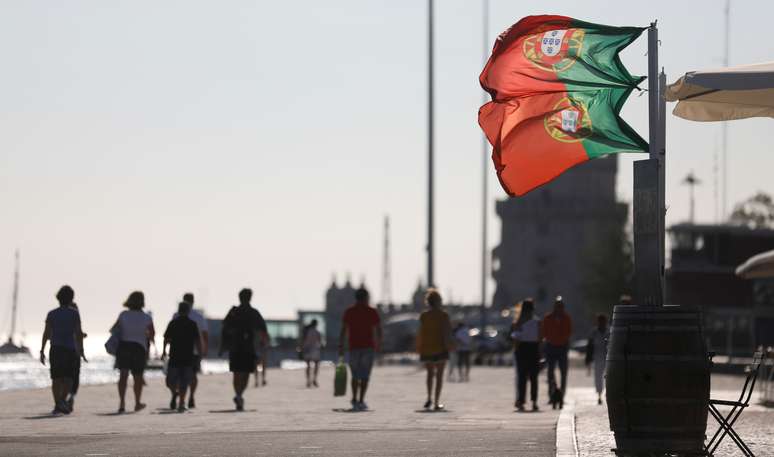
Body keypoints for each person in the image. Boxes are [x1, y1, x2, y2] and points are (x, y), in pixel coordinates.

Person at [40, 285, 86, 415]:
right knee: (69, 378)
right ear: (71, 298)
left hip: (55, 349)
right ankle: (61, 401)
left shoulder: (52, 314)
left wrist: (42, 350)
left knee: (56, 378)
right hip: (70, 349)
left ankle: (58, 404)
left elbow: (46, 333)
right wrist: (81, 350)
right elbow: (78, 333)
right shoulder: (74, 314)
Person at [220, 288, 268, 411]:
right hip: (248, 348)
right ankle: (239, 395)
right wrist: (263, 344)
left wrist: (223, 345)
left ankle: (238, 394)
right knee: (245, 373)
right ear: (250, 298)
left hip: (236, 347)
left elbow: (224, 328)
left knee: (237, 373)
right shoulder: (253, 312)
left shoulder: (235, 311)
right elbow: (263, 330)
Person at [338, 287, 382, 411]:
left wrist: (341, 346)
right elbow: (378, 329)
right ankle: (361, 399)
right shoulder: (372, 311)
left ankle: (354, 398)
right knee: (365, 375)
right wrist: (379, 344)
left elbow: (343, 330)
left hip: (353, 347)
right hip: (368, 347)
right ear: (366, 297)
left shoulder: (349, 311)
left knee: (355, 375)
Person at [111, 291, 155, 413]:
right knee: (138, 377)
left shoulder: (123, 315)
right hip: (139, 348)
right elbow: (152, 335)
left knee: (123, 376)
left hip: (124, 347)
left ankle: (122, 403)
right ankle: (137, 403)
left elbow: (113, 329)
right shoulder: (147, 317)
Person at [162, 301, 202, 412]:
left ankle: (180, 400)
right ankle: (178, 398)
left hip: (176, 355)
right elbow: (198, 341)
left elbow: (166, 339)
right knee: (184, 381)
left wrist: (164, 351)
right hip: (187, 357)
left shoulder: (174, 323)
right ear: (188, 311)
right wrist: (200, 354)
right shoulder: (190, 324)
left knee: (171, 380)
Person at [416, 289, 453, 410]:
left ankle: (428, 398)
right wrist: (450, 345)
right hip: (441, 348)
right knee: (439, 376)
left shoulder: (423, 316)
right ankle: (437, 402)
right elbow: (447, 333)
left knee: (429, 374)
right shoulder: (444, 315)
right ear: (438, 301)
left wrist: (419, 347)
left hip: (426, 349)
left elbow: (420, 333)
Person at [170, 293, 208, 409]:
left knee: (177, 376)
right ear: (193, 301)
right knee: (192, 375)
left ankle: (180, 396)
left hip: (179, 350)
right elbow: (204, 334)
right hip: (195, 352)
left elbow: (171, 333)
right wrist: (204, 348)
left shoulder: (177, 315)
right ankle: (190, 396)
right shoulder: (199, 316)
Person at [511, 298, 541, 412]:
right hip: (534, 349)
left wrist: (515, 348)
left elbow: (516, 338)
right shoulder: (537, 322)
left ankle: (521, 401)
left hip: (522, 349)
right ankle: (534, 402)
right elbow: (540, 338)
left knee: (522, 377)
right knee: (534, 377)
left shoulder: (518, 322)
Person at [541, 296, 572, 405]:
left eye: (561, 306)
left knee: (564, 372)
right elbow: (544, 331)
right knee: (550, 372)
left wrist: (563, 340)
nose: (559, 308)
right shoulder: (548, 318)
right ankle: (552, 394)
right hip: (551, 347)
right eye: (557, 306)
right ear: (554, 307)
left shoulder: (566, 318)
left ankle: (562, 395)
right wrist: (549, 340)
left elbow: (569, 332)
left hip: (562, 347)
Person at [67, 302, 88, 411]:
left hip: (64, 351)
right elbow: (79, 336)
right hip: (75, 353)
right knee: (74, 377)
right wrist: (82, 352)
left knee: (65, 376)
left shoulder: (63, 320)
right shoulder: (76, 320)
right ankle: (71, 397)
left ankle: (64, 398)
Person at [586, 314, 610, 405]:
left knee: (609, 377)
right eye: (600, 321)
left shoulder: (609, 332)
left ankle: (608, 393)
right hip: (597, 357)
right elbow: (589, 347)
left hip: (608, 358)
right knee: (598, 378)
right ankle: (599, 395)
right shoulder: (594, 333)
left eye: (603, 321)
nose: (601, 323)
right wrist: (588, 360)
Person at [299, 319, 322, 388]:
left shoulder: (306, 331)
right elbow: (320, 342)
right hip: (315, 350)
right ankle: (314, 378)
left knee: (308, 366)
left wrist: (301, 348)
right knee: (316, 364)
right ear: (316, 324)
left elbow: (302, 340)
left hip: (307, 349)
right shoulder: (317, 332)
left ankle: (308, 380)